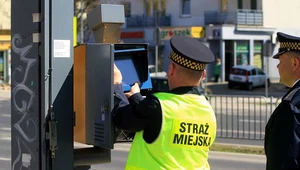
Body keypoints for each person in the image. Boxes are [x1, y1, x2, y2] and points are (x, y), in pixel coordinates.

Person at [112, 36, 217, 170]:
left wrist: (116, 85)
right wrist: (136, 97)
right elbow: (163, 119)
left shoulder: (157, 105)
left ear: (171, 69)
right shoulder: (208, 111)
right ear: (203, 75)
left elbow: (121, 118)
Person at [265, 32, 300, 170]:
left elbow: (284, 161)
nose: (277, 67)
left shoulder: (292, 106)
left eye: (280, 61)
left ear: (294, 63)